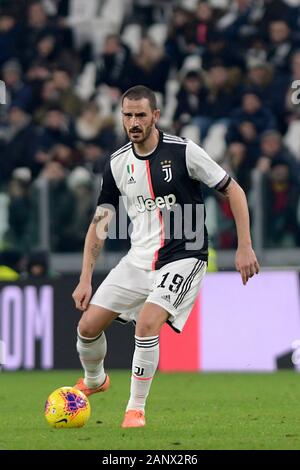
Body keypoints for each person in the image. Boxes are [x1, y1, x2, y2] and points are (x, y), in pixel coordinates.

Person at [72, 85, 260, 428]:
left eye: (141, 115)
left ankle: (135, 409)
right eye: (128, 115)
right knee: (86, 327)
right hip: (137, 260)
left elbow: (233, 189)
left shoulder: (184, 151)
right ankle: (96, 380)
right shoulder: (117, 163)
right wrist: (85, 278)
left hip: (184, 256)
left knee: (146, 323)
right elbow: (101, 223)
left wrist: (244, 245)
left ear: (155, 116)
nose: (134, 122)